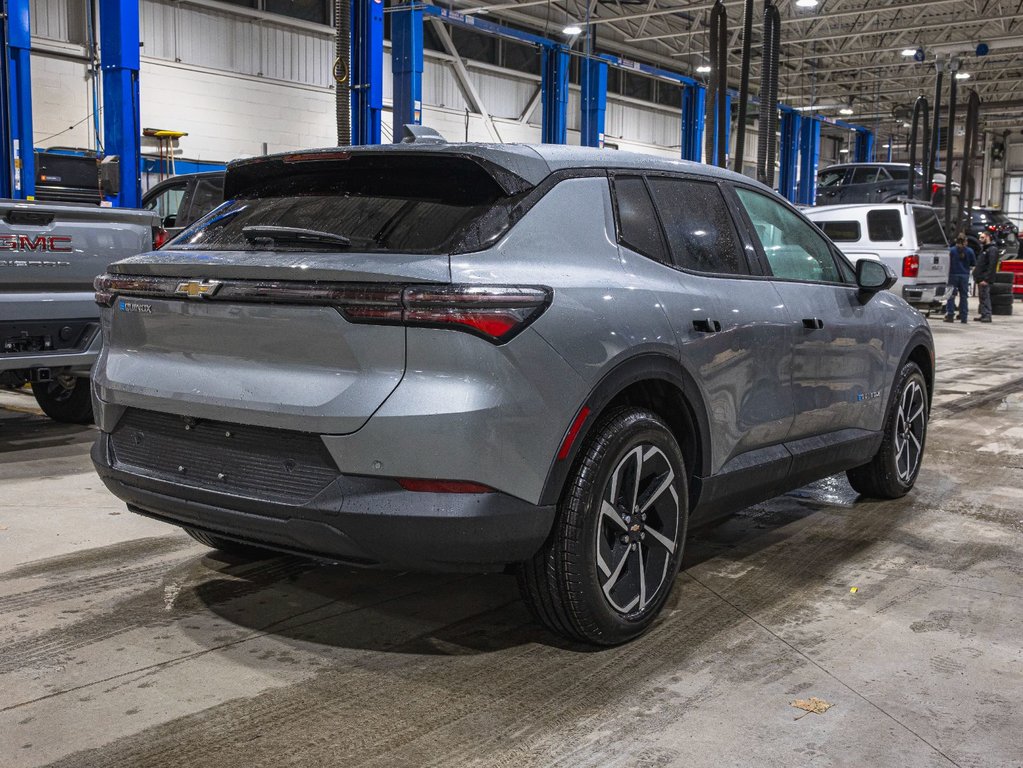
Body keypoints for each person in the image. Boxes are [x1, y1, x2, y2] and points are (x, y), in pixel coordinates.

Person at [944, 234, 976, 324]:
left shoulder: (951, 250)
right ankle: (963, 317)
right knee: (963, 297)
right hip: (964, 276)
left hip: (952, 275)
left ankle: (950, 315)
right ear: (966, 241)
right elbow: (973, 264)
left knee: (951, 296)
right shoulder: (970, 251)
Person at [973, 231, 998, 323]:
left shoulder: (992, 250)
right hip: (980, 278)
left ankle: (987, 315)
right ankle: (984, 314)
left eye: (982, 238)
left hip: (985, 279)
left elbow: (992, 266)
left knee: (985, 297)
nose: (980, 240)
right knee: (982, 297)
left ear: (988, 237)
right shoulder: (984, 249)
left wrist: (986, 279)